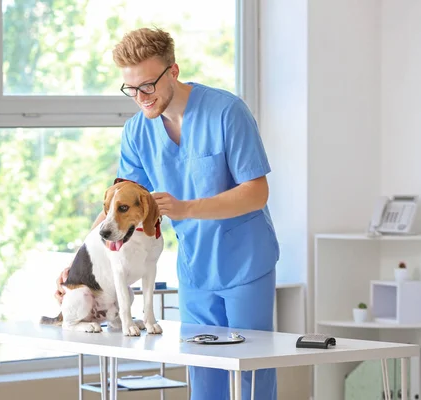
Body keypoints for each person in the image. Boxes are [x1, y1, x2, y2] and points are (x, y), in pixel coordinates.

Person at [55, 27, 279, 400]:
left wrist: (186, 207)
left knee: (251, 375)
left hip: (245, 262)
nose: (141, 98)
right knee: (204, 378)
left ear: (172, 71)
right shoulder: (137, 132)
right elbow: (118, 209)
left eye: (148, 86)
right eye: (131, 89)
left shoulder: (227, 112)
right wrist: (78, 262)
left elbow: (257, 193)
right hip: (194, 268)